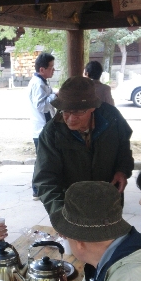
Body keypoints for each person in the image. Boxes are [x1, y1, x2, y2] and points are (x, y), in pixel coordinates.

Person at [33, 76, 133, 215]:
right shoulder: (52, 132)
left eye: (79, 112)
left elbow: (124, 146)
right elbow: (45, 180)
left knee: (110, 236)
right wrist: (59, 214)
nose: (71, 118)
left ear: (92, 107)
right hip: (72, 206)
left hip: (109, 199)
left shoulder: (111, 118)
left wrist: (122, 170)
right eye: (66, 111)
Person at [28, 52, 57, 200]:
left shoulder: (42, 81)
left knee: (45, 159)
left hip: (44, 128)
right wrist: (54, 96)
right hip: (40, 129)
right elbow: (41, 106)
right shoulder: (37, 83)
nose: (53, 70)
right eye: (51, 67)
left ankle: (41, 187)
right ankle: (36, 189)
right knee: (42, 160)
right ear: (41, 69)